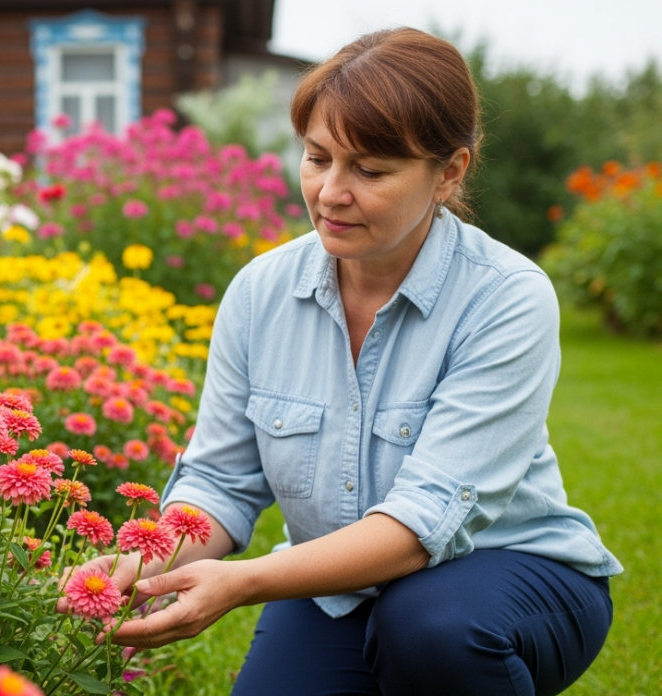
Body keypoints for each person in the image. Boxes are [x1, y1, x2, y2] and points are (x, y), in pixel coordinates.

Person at [63, 27, 621, 696]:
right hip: (335, 591)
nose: (330, 191)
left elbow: (423, 524)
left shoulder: (504, 296)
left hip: (511, 575)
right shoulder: (261, 292)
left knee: (429, 628)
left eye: (370, 170)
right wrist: (145, 565)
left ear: (449, 173)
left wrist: (241, 583)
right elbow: (220, 482)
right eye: (317, 157)